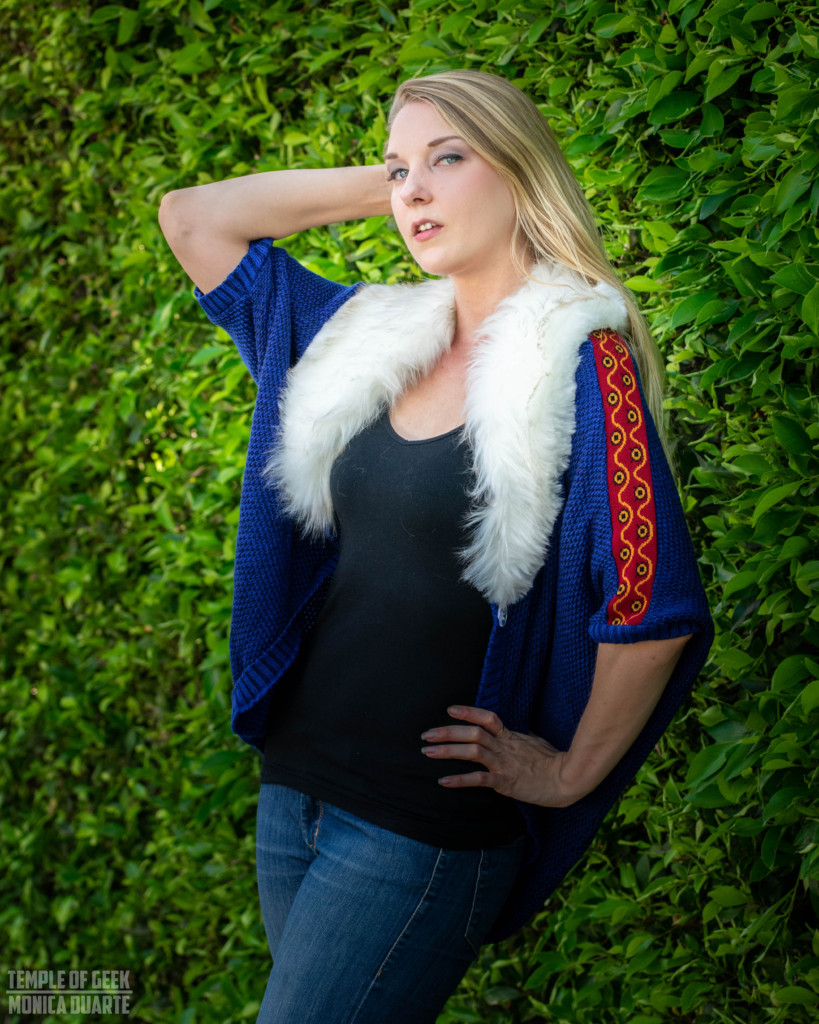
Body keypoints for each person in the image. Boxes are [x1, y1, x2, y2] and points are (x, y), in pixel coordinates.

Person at [158, 69, 713, 1024]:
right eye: (397, 168)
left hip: (420, 828)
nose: (412, 189)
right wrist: (410, 182)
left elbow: (650, 605)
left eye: (448, 159)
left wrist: (569, 771)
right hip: (294, 791)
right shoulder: (356, 336)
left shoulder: (582, 363)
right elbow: (193, 218)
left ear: (520, 169)